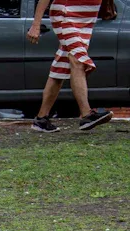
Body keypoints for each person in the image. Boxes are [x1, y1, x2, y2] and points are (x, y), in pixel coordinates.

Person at [27, 0, 112, 132]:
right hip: (66, 14)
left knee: (62, 67)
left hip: (86, 20)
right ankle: (86, 114)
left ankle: (41, 119)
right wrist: (36, 24)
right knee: (77, 59)